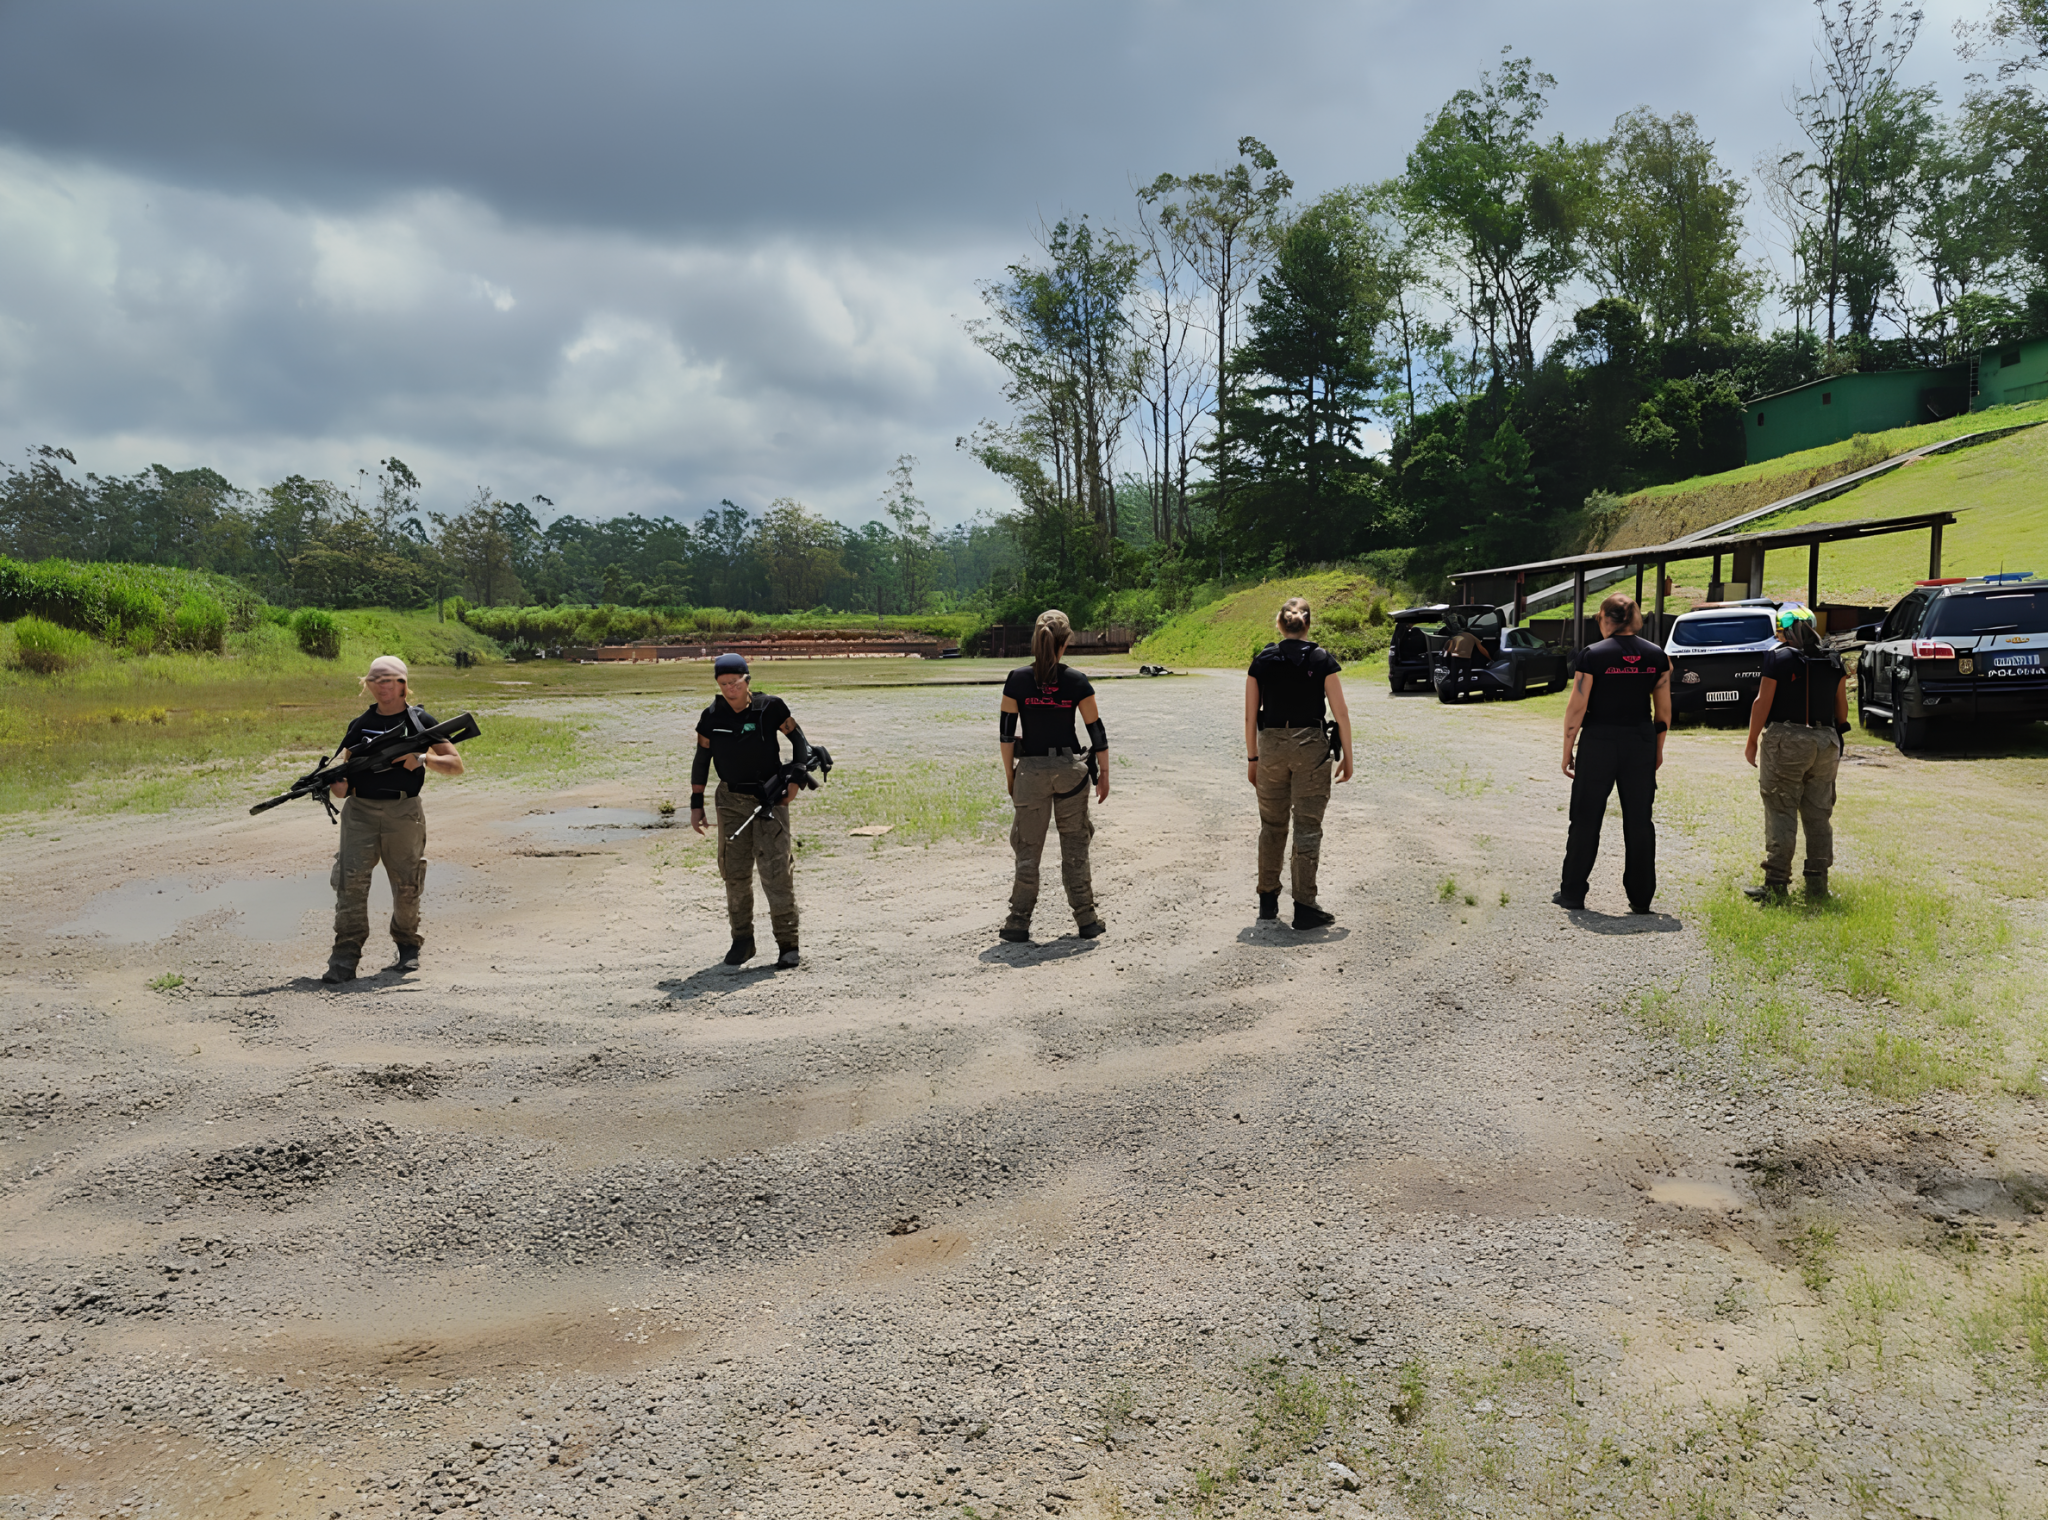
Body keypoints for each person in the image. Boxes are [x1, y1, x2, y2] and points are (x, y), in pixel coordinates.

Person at [323, 655, 464, 983]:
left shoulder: (420, 721)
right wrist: (336, 784)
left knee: (406, 883)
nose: (382, 687)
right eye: (375, 681)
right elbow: (343, 786)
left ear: (402, 684)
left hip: (403, 813)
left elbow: (455, 764)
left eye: (389, 681)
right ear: (367, 685)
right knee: (350, 882)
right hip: (360, 813)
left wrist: (422, 758)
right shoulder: (359, 725)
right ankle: (345, 955)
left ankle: (407, 947)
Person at [691, 652, 813, 968]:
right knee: (734, 872)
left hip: (770, 799)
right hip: (730, 800)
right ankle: (742, 941)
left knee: (776, 871)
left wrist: (796, 779)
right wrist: (696, 803)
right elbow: (702, 760)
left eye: (735, 682)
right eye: (723, 684)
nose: (730, 689)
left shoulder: (771, 707)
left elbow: (800, 742)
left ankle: (788, 944)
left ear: (748, 680)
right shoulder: (711, 717)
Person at [1556, 593, 1671, 914]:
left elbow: (1576, 708)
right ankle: (1641, 897)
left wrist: (1568, 750)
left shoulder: (1592, 656)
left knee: (1585, 817)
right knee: (1639, 821)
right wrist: (1657, 751)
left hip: (1599, 743)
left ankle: (1573, 893)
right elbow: (1663, 711)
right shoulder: (1657, 656)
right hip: (1640, 743)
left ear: (1607, 618)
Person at [998, 609, 1109, 943]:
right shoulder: (1077, 681)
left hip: (1030, 771)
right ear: (1066, 642)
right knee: (1075, 845)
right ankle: (1086, 919)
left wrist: (1010, 776)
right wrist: (1104, 775)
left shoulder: (1017, 679)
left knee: (1028, 850)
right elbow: (1097, 732)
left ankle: (1018, 922)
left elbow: (1006, 736)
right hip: (1070, 772)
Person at [1245, 596, 1354, 928]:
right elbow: (1341, 713)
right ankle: (1305, 906)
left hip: (1271, 749)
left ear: (1279, 625)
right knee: (1307, 828)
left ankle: (1267, 902)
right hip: (1310, 747)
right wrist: (1348, 755)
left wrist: (1253, 757)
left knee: (1272, 826)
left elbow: (1250, 717)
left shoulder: (1262, 661)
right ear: (1308, 625)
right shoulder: (1322, 659)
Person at [1742, 606, 1849, 901]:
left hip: (1787, 741)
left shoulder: (1777, 658)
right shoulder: (1834, 660)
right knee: (1818, 814)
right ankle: (1817, 885)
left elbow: (1762, 702)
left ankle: (1776, 885)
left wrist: (1752, 741)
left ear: (1784, 631)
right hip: (1826, 742)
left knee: (1781, 809)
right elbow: (1842, 710)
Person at [1439, 618, 1492, 704]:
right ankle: (1466, 696)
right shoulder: (1472, 637)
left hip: (1455, 659)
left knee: (1454, 679)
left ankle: (1453, 697)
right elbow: (1482, 649)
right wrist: (1490, 658)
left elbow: (1447, 650)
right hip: (1466, 659)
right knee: (1466, 678)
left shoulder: (1455, 638)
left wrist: (1444, 659)